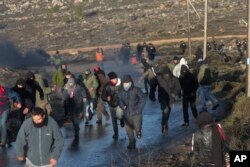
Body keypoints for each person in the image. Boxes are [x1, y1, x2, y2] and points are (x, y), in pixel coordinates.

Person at [119, 75, 146, 149]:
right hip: (126, 114)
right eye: (125, 83)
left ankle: (138, 132)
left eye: (128, 83)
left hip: (136, 113)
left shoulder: (136, 89)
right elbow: (120, 100)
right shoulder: (121, 91)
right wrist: (123, 106)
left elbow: (143, 98)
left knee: (137, 127)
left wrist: (139, 109)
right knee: (128, 129)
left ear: (131, 83)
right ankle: (132, 143)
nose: (126, 85)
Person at [154, 63, 181, 135]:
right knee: (166, 110)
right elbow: (155, 77)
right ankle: (163, 124)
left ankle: (165, 123)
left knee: (167, 113)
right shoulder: (160, 79)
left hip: (171, 99)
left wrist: (174, 93)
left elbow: (178, 87)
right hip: (162, 98)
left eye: (167, 75)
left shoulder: (174, 79)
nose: (166, 76)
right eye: (165, 75)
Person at [101, 72, 124, 139]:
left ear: (117, 78)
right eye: (112, 79)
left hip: (119, 104)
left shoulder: (121, 84)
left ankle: (122, 119)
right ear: (110, 80)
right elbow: (102, 96)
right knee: (114, 120)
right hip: (111, 105)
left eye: (114, 79)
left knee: (119, 116)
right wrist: (107, 98)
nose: (114, 80)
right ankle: (116, 133)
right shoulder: (107, 86)